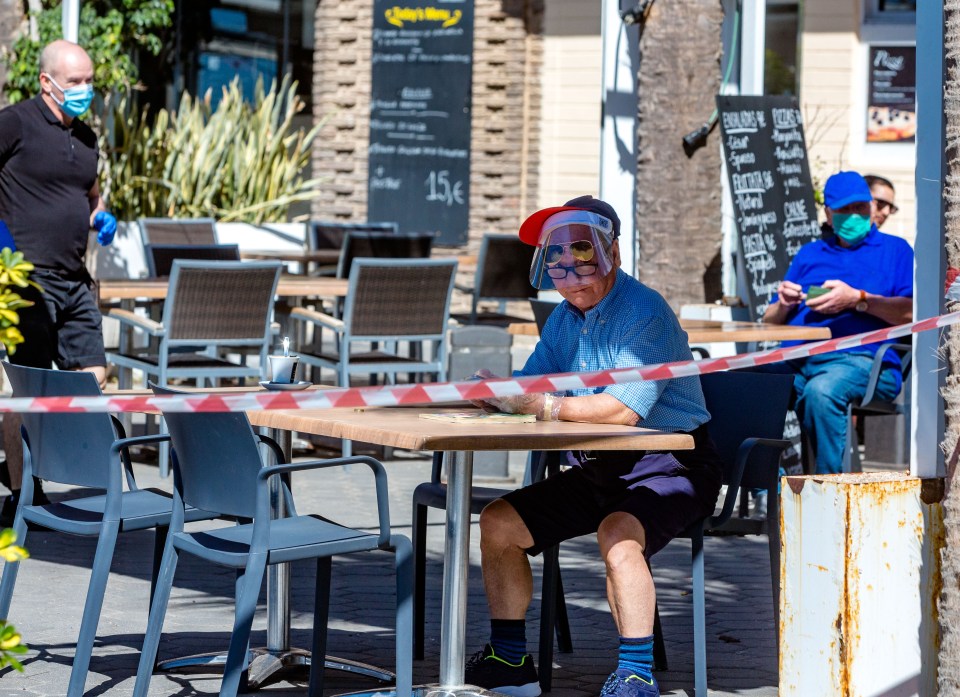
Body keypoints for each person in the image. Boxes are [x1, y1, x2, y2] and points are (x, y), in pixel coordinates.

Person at [464, 196, 722, 697]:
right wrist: (493, 396)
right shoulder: (563, 318)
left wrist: (539, 406)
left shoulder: (644, 310)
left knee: (618, 534)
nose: (570, 277)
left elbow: (624, 410)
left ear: (612, 254)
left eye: (582, 262)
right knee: (498, 522)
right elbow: (531, 383)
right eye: (558, 266)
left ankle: (635, 673)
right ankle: (510, 662)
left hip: (672, 464)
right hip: (598, 464)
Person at [0, 39, 117, 523]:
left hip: (74, 278)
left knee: (94, 373)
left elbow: (90, 194)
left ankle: (45, 464)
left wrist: (101, 215)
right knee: (26, 385)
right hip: (25, 278)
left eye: (90, 81)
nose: (85, 90)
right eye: (75, 82)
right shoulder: (16, 122)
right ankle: (21, 488)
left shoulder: (86, 138)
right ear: (47, 82)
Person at [762, 171, 913, 474]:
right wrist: (785, 302)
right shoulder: (809, 254)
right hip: (798, 359)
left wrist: (858, 299)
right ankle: (765, 486)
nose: (854, 215)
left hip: (864, 361)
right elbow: (769, 320)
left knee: (821, 392)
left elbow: (912, 314)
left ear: (871, 207)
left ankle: (826, 489)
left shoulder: (896, 251)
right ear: (829, 214)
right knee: (743, 384)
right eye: (845, 209)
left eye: (860, 207)